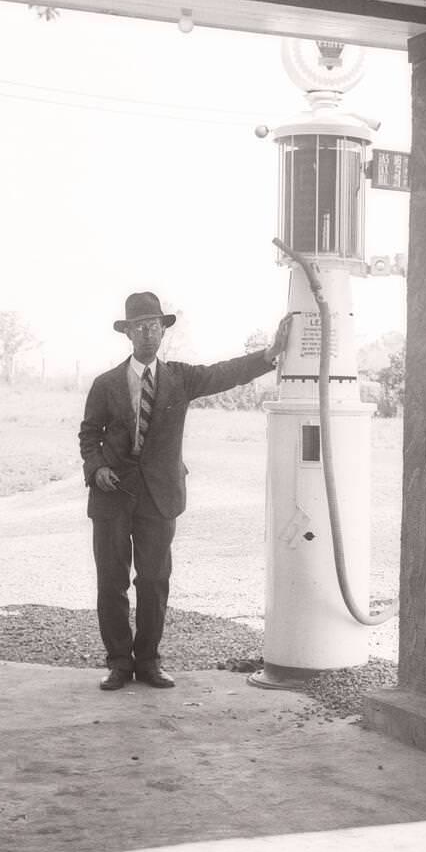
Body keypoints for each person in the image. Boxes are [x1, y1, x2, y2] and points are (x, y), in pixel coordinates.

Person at [79, 291, 292, 691]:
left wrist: (270, 354)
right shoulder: (105, 384)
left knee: (155, 581)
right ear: (127, 333)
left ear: (163, 331)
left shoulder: (180, 378)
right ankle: (119, 664)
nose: (147, 333)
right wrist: (98, 467)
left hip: (160, 497)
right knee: (112, 581)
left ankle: (150, 663)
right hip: (112, 497)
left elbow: (225, 372)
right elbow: (89, 434)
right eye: (139, 326)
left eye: (154, 326)